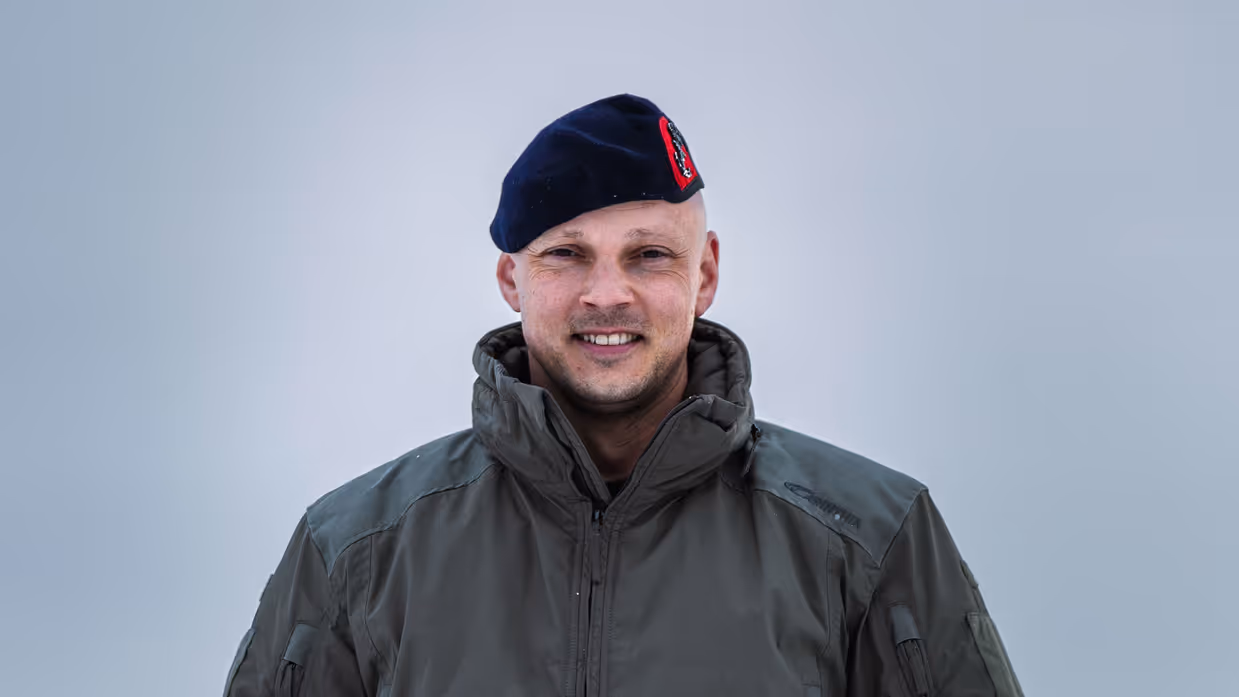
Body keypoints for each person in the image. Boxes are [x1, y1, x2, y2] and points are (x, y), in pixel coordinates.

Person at [222, 94, 1024, 697]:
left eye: (647, 255)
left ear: (704, 272)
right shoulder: (359, 547)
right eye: (567, 253)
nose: (608, 295)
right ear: (511, 277)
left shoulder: (868, 535)